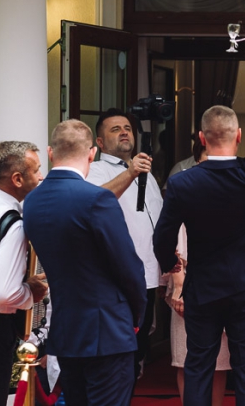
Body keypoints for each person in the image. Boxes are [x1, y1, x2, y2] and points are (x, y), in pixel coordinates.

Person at [153, 106, 245, 406]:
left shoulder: (182, 182)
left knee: (199, 365)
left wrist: (171, 263)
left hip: (203, 286)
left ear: (202, 138)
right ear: (239, 136)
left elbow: (162, 236)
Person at [23, 120, 147, 406]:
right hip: (108, 329)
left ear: (51, 153)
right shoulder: (98, 199)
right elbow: (129, 267)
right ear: (92, 153)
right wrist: (135, 317)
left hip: (66, 329)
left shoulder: (32, 201)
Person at [86, 107, 163, 379]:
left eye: (128, 128)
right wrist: (130, 173)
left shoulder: (146, 173)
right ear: (99, 141)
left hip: (148, 273)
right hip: (117, 275)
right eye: (115, 129)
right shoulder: (94, 170)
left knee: (138, 348)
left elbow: (157, 219)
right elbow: (93, 203)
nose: (124, 133)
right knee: (119, 350)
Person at [166, 143, 231, 406]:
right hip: (188, 281)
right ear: (197, 163)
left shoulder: (232, 193)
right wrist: (179, 287)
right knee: (186, 359)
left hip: (224, 286)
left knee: (220, 363)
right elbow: (171, 241)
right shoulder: (182, 191)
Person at [0, 141, 47, 406]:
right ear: (17, 179)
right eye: (36, 170)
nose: (41, 176)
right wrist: (30, 293)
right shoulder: (12, 222)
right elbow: (3, 294)